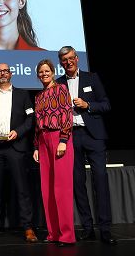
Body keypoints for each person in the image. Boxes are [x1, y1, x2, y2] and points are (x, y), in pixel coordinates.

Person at [56, 46, 117, 245]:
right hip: (71, 137)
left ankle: (105, 229)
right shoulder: (58, 84)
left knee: (100, 181)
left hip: (94, 137)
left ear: (77, 59)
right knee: (77, 184)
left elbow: (106, 104)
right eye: (64, 60)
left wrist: (88, 105)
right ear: (61, 63)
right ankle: (87, 228)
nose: (69, 62)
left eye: (71, 58)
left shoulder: (92, 78)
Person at [0, 63, 38, 242]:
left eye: (5, 71)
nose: (3, 74)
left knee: (22, 188)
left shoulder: (23, 94)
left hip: (16, 147)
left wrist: (18, 132)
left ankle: (28, 227)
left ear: (11, 74)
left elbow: (30, 118)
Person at [33, 59, 76, 247]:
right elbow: (37, 124)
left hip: (59, 138)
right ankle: (54, 233)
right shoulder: (39, 96)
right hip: (43, 141)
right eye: (41, 72)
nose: (44, 74)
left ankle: (67, 235)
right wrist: (36, 146)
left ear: (52, 71)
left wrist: (64, 140)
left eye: (47, 71)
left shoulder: (61, 89)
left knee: (62, 188)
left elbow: (67, 114)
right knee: (47, 189)